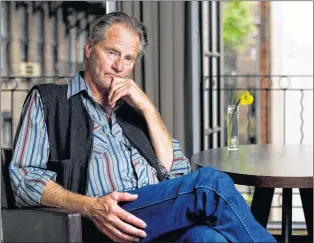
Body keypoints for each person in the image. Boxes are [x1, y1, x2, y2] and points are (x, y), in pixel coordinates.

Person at [9, 12, 276, 243]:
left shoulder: (135, 109)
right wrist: (90, 207)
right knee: (210, 184)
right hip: (101, 221)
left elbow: (177, 171)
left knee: (208, 238)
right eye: (112, 53)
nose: (119, 67)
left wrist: (147, 108)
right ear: (90, 48)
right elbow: (23, 180)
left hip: (155, 219)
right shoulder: (49, 100)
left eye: (129, 59)